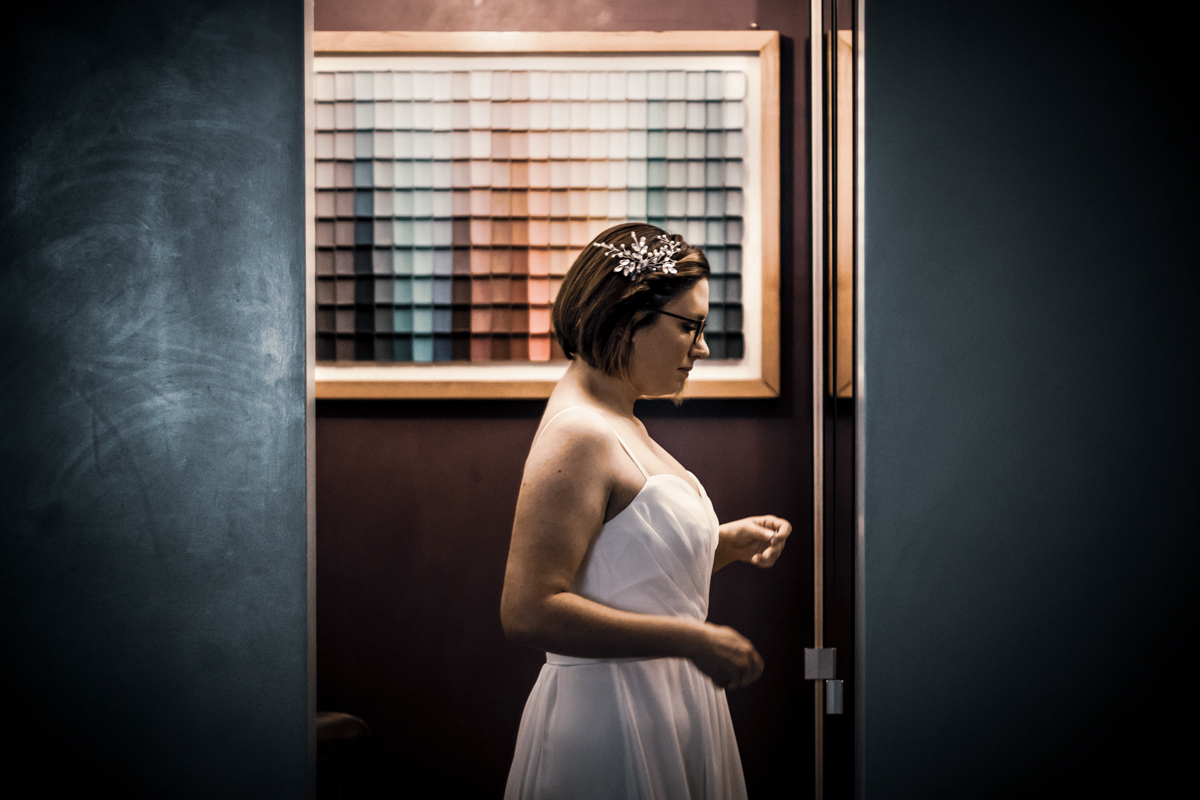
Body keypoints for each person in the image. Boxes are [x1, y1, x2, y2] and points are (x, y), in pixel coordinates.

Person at [501, 222, 792, 800]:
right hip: (614, 720)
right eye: (690, 327)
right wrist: (692, 640)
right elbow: (528, 611)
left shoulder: (616, 416)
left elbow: (623, 574)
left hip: (659, 706)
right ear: (627, 316)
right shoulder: (579, 432)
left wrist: (721, 543)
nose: (702, 348)